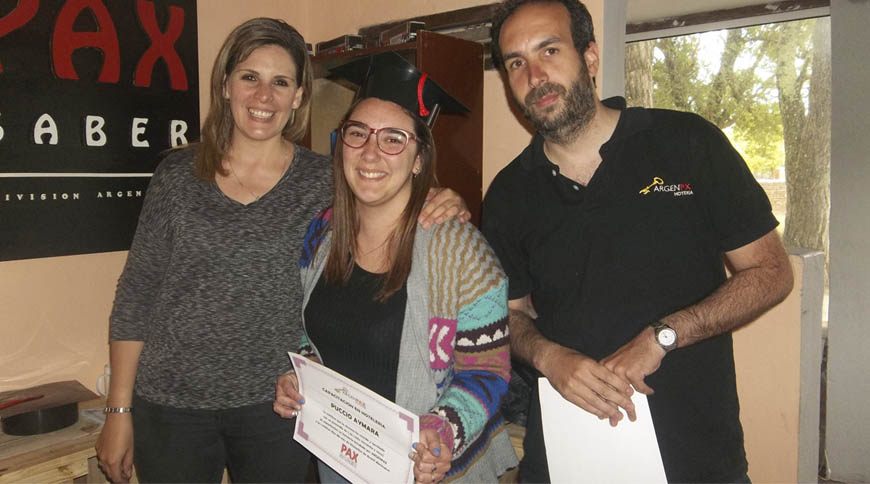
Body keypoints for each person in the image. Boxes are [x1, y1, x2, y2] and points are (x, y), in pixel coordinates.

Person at [94, 19, 467, 483]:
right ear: (225, 85)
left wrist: (440, 196)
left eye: (281, 82)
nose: (263, 96)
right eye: (250, 77)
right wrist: (119, 410)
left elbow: (390, 201)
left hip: (280, 405)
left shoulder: (329, 181)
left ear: (298, 97)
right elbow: (136, 295)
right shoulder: (176, 177)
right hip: (171, 406)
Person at [483, 0, 795, 482]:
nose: (535, 75)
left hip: (695, 458)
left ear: (589, 56)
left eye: (549, 50)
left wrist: (663, 336)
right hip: (568, 455)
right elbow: (510, 313)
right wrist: (549, 357)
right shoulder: (507, 194)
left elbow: (771, 272)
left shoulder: (686, 143)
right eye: (516, 63)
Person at [273, 52, 518, 483]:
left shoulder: (462, 253)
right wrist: (301, 376)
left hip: (428, 469)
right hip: (340, 460)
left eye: (393, 139)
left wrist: (444, 428)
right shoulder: (322, 234)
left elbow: (489, 371)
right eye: (357, 133)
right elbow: (309, 334)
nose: (370, 153)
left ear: (419, 158)